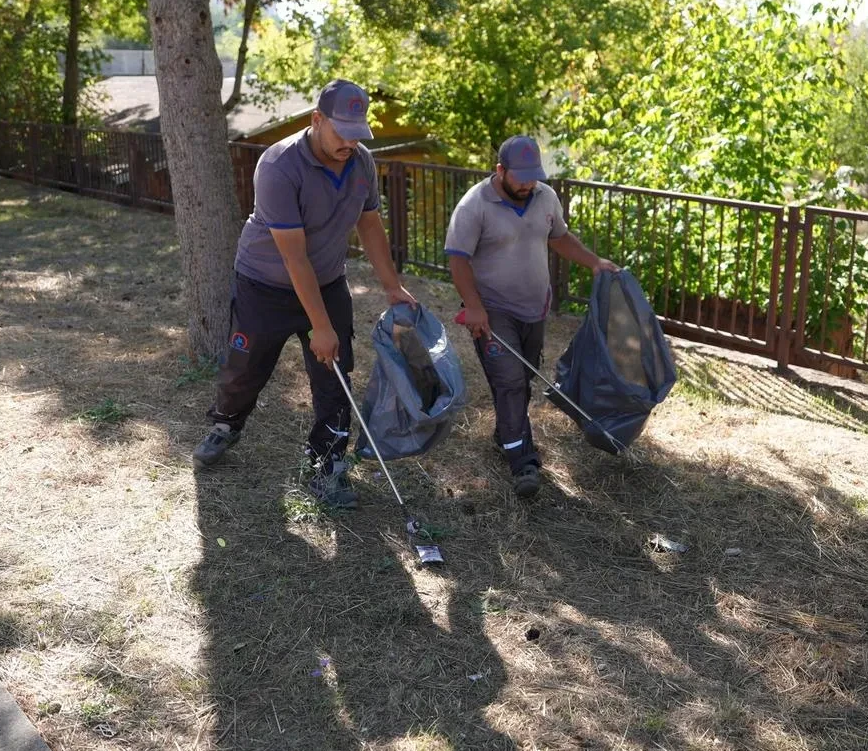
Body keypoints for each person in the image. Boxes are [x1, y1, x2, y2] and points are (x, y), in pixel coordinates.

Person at [193, 79, 415, 508]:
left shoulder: (361, 162)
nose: (350, 141)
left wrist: (392, 286)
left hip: (328, 281)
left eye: (358, 132)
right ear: (317, 120)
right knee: (244, 370)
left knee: (335, 378)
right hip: (265, 285)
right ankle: (226, 422)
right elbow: (294, 258)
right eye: (341, 130)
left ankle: (326, 465)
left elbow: (370, 225)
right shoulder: (278, 165)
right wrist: (320, 326)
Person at [444, 135, 618, 499]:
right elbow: (457, 259)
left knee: (521, 379)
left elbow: (560, 238)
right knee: (509, 380)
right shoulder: (475, 204)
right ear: (500, 170)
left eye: (532, 176)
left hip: (534, 307)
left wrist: (594, 263)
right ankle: (523, 461)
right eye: (519, 176)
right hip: (493, 310)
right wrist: (473, 306)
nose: (527, 184)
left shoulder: (545, 197)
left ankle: (505, 434)